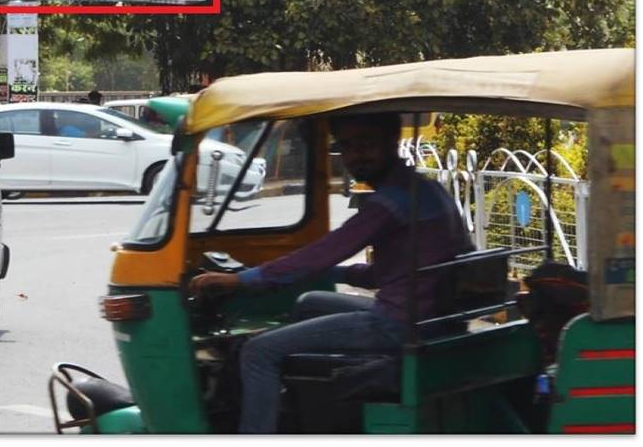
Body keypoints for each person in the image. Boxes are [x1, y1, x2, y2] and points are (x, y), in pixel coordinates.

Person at [187, 111, 471, 434]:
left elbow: (326, 250)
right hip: (427, 317)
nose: (355, 157)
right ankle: (303, 407)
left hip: (397, 325)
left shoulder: (390, 202)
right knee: (309, 302)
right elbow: (384, 274)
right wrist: (329, 273)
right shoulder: (427, 191)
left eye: (366, 144)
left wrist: (241, 280)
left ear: (393, 141)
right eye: (347, 147)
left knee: (258, 352)